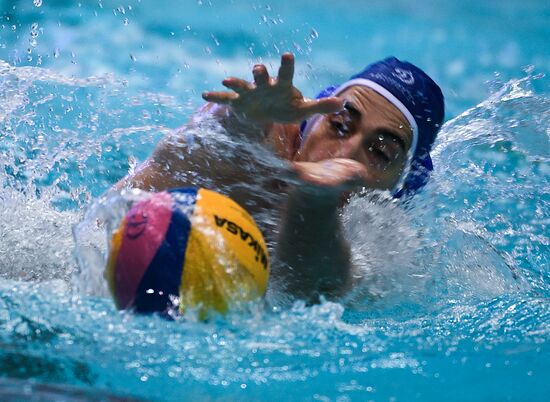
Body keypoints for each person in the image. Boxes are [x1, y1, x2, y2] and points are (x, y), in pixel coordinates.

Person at [116, 53, 444, 303]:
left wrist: (315, 197)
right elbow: (198, 149)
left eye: (381, 152)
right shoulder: (268, 144)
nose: (346, 152)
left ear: (402, 184)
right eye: (340, 125)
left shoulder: (387, 243)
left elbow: (304, 296)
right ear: (311, 121)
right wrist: (242, 120)